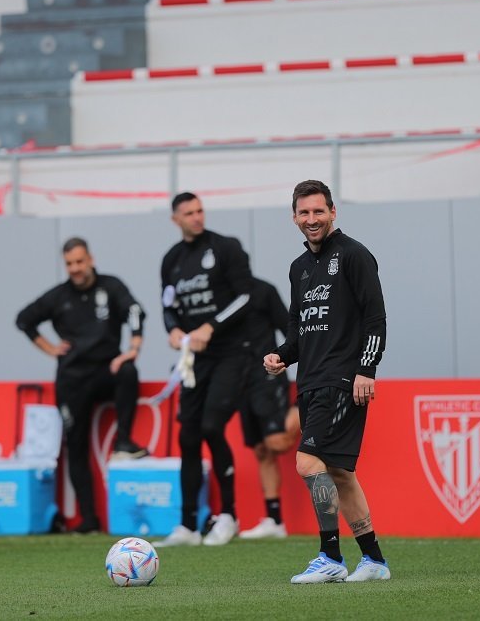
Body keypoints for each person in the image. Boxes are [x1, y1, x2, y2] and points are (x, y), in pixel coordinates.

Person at [264, 179, 391, 584]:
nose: (312, 219)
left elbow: (376, 318)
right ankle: (373, 561)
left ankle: (330, 555)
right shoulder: (298, 269)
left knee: (307, 461)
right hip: (311, 381)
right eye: (304, 213)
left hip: (343, 380)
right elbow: (299, 333)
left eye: (319, 211)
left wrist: (366, 370)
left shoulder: (355, 256)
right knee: (340, 473)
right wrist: (281, 357)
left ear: (333, 212)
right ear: (294, 217)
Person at [16, 237, 148, 534]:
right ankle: (89, 520)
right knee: (75, 446)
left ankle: (124, 442)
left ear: (90, 259)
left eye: (79, 261)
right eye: (69, 263)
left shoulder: (111, 286)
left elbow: (136, 311)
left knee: (128, 371)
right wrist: (49, 348)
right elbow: (24, 320)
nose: (75, 268)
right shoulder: (59, 296)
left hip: (106, 369)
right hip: (73, 378)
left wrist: (133, 348)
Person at [157, 192, 254, 547]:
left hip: (232, 353)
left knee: (213, 425)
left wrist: (210, 326)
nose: (197, 217)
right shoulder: (171, 260)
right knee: (188, 436)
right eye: (189, 213)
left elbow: (246, 297)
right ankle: (187, 525)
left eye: (200, 211)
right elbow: (168, 304)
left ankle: (228, 515)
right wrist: (174, 330)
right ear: (175, 219)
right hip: (193, 360)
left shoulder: (226, 247)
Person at [238, 277, 300, 540]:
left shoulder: (263, 291)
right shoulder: (217, 297)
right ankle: (275, 521)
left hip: (266, 376)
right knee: (262, 450)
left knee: (278, 442)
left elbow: (290, 328)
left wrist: (281, 359)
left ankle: (307, 405)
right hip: (239, 379)